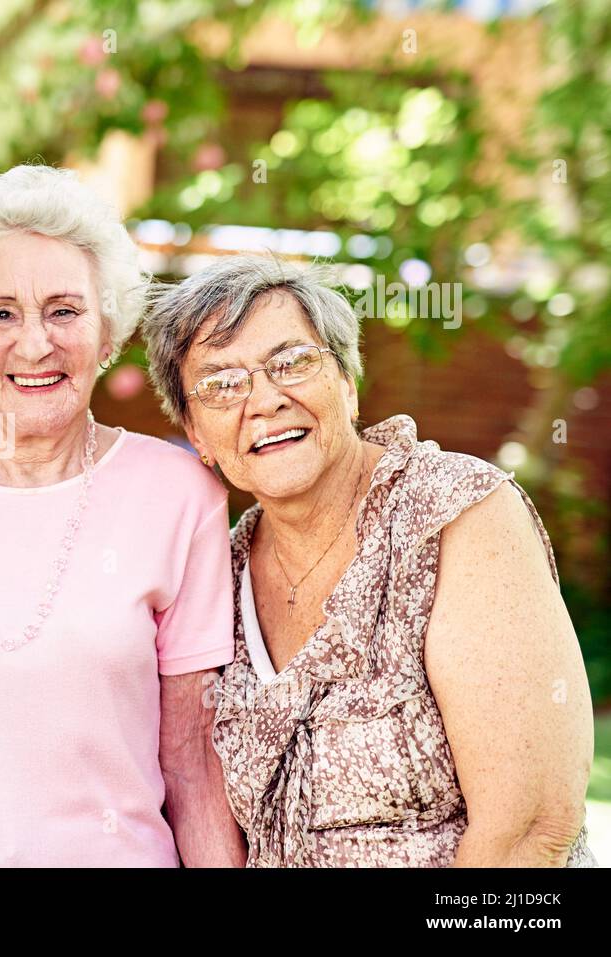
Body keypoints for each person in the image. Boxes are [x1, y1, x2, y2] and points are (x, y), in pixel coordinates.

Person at [143, 254, 597, 867]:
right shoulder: (216, 575)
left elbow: (533, 830)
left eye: (293, 362)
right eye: (221, 383)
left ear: (349, 385)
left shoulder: (452, 514)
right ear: (196, 433)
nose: (264, 400)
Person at [0, 165, 245, 867]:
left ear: (106, 331)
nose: (34, 344)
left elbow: (193, 763)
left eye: (64, 310)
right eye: (0, 313)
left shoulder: (181, 495)